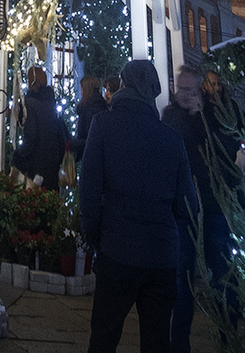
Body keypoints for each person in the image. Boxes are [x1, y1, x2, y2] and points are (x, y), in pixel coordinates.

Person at [79, 57, 197, 353]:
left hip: (117, 249)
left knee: (104, 338)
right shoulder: (171, 140)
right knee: (157, 341)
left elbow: (90, 189)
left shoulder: (103, 125)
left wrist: (95, 236)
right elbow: (188, 206)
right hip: (161, 258)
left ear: (123, 85)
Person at [162, 66, 245, 351]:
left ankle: (228, 335)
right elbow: (179, 142)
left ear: (201, 90)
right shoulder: (171, 116)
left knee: (223, 274)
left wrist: (202, 116)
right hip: (183, 208)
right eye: (180, 88)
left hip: (213, 205)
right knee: (181, 278)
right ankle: (179, 343)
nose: (184, 95)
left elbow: (224, 150)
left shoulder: (215, 115)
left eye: (189, 89)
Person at [14, 65, 67, 186]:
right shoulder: (50, 102)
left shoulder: (29, 104)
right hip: (52, 163)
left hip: (36, 164)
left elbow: (31, 135)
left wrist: (19, 157)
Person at [74, 75, 108, 159]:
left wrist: (73, 143)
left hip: (90, 155)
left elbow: (91, 138)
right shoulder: (101, 106)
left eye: (81, 89)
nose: (81, 93)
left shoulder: (89, 109)